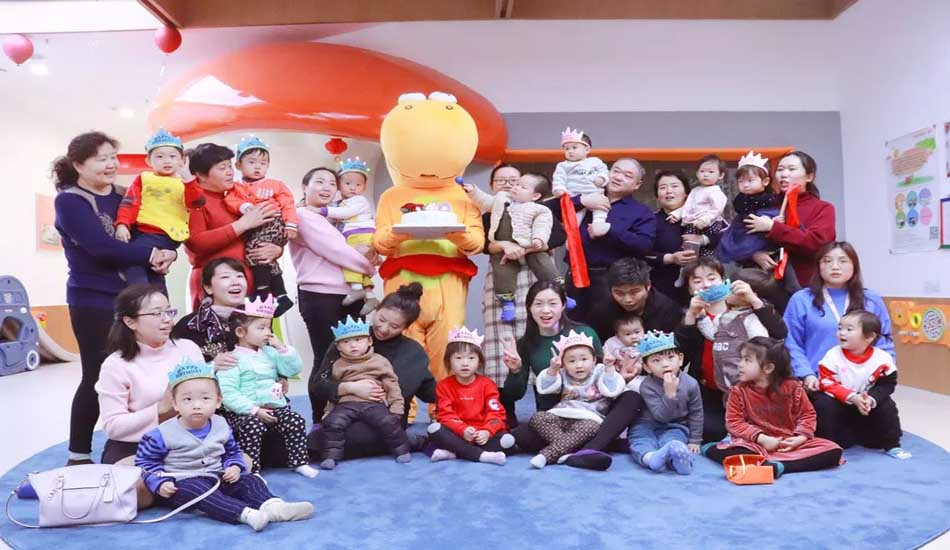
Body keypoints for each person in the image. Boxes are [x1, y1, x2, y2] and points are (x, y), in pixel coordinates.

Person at [53, 131, 177, 465]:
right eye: (101, 159)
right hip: (95, 299)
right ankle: (78, 455)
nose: (111, 164)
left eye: (113, 157)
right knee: (97, 374)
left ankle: (153, 442)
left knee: (154, 368)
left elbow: (160, 229)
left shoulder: (128, 193)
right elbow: (101, 247)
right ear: (78, 164)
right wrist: (150, 254)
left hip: (144, 298)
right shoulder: (70, 201)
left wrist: (170, 252)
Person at [136, 360, 313, 531]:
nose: (197, 405)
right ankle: (245, 514)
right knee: (199, 490)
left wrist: (234, 466)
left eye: (205, 398)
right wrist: (159, 483)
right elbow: (145, 463)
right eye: (187, 399)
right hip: (181, 485)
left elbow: (232, 451)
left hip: (218, 477)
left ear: (218, 401)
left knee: (250, 480)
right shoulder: (160, 434)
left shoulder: (221, 424)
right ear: (175, 403)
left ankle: (273, 506)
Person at [94, 285, 204, 507]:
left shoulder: (188, 349)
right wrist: (159, 410)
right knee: (137, 490)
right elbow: (113, 426)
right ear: (130, 322)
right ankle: (181, 485)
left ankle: (175, 485)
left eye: (169, 311)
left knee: (243, 464)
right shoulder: (116, 365)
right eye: (156, 313)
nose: (167, 320)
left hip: (187, 440)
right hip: (137, 445)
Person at [308, 283, 436, 458]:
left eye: (394, 326)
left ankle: (414, 441)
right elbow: (318, 385)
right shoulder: (349, 337)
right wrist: (349, 388)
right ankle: (406, 441)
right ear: (376, 309)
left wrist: (464, 385)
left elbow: (428, 390)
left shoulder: (413, 352)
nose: (384, 329)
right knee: (312, 441)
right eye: (381, 320)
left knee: (318, 445)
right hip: (344, 412)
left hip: (385, 419)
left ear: (406, 327)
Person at [676, 258, 787, 442]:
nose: (706, 285)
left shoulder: (750, 310)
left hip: (746, 385)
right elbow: (681, 355)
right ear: (689, 288)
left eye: (712, 278)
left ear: (725, 281)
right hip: (711, 390)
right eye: (697, 281)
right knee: (710, 431)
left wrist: (754, 300)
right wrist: (692, 316)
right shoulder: (693, 316)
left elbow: (778, 334)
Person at [477, 165, 567, 387]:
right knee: (500, 331)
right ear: (492, 186)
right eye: (501, 180)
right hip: (502, 272)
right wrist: (504, 245)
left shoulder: (540, 209)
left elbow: (558, 236)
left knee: (540, 326)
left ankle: (545, 385)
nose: (509, 185)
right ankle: (503, 393)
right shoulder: (491, 212)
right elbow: (482, 244)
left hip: (537, 275)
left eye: (515, 181)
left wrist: (524, 248)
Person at [702, 337, 843, 477]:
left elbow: (807, 415)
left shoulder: (793, 387)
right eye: (741, 359)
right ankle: (716, 451)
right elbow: (734, 422)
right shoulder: (738, 391)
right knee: (737, 451)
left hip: (788, 443)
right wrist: (761, 438)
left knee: (833, 450)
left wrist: (800, 437)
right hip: (754, 444)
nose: (740, 364)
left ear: (768, 368)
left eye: (747, 360)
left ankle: (779, 466)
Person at [217, 299, 317, 478]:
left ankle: (300, 462)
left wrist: (282, 348)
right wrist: (254, 410)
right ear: (240, 332)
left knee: (295, 420)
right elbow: (228, 393)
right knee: (253, 426)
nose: (268, 333)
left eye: (269, 327)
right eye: (261, 328)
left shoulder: (270, 352)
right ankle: (252, 469)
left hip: (273, 408)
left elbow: (292, 369)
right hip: (245, 412)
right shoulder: (232, 359)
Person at [291, 166, 375, 374]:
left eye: (332, 184)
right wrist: (368, 266)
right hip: (321, 295)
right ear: (304, 187)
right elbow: (338, 251)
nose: (327, 187)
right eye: (319, 181)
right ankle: (322, 398)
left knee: (355, 358)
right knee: (327, 357)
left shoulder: (335, 219)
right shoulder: (302, 214)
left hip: (350, 294)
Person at [783, 241, 894, 391]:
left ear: (854, 265)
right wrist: (806, 374)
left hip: (865, 382)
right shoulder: (801, 299)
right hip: (818, 382)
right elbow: (792, 342)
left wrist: (883, 376)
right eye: (827, 261)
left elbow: (884, 341)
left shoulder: (871, 299)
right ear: (819, 266)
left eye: (843, 261)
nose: (835, 266)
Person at [185, 142, 283, 310]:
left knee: (259, 328)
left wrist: (276, 249)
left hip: (255, 286)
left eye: (230, 166)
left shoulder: (237, 197)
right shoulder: (194, 201)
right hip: (216, 291)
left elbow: (260, 234)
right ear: (200, 174)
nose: (230, 172)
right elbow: (195, 243)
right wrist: (242, 225)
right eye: (222, 168)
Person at [560, 158, 656, 323]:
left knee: (608, 328)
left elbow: (644, 245)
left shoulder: (641, 212)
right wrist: (580, 201)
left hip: (612, 281)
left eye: (627, 175)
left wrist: (610, 230)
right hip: (575, 275)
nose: (618, 177)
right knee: (572, 325)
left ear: (637, 184)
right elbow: (550, 209)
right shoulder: (586, 195)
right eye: (615, 171)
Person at [812, 310, 911, 459]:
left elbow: (887, 384)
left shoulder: (882, 358)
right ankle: (826, 444)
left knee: (887, 405)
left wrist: (870, 399)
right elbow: (827, 382)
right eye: (840, 328)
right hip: (838, 402)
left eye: (849, 329)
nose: (841, 333)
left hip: (866, 404)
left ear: (869, 337)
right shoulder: (832, 355)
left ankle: (892, 445)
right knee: (822, 403)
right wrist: (852, 397)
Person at [114, 128, 205, 289]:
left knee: (133, 261)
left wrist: (188, 179)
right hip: (142, 231)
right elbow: (130, 203)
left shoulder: (187, 182)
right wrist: (122, 224)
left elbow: (197, 202)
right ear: (148, 161)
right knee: (155, 270)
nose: (166, 161)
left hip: (164, 233)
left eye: (172, 156)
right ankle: (159, 300)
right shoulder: (144, 178)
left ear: (182, 160)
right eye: (159, 157)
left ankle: (141, 296)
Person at [319, 316, 412, 470]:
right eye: (346, 342)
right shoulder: (338, 365)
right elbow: (334, 390)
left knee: (388, 421)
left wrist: (396, 405)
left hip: (373, 402)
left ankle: (401, 450)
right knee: (333, 423)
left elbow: (391, 384)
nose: (353, 345)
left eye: (358, 340)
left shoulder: (379, 361)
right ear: (339, 347)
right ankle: (331, 456)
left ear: (369, 341)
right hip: (346, 403)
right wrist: (328, 410)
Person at [465, 173, 560, 322]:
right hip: (503, 252)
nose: (515, 187)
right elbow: (485, 200)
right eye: (517, 184)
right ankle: (507, 304)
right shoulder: (501, 199)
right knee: (502, 272)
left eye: (521, 186)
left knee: (544, 264)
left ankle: (561, 291)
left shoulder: (540, 209)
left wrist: (538, 239)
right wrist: (473, 191)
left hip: (530, 247)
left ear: (535, 196)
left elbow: (543, 226)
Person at [528, 330, 625, 469]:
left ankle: (547, 455)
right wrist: (553, 369)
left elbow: (612, 390)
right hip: (563, 414)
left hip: (588, 418)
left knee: (590, 427)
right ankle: (572, 451)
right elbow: (545, 387)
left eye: (584, 359)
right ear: (563, 364)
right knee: (538, 418)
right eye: (571, 361)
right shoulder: (562, 373)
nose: (579, 365)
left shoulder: (600, 371)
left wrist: (609, 368)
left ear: (594, 360)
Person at [224, 137, 298, 316]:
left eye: (263, 163)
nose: (257, 167)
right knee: (265, 258)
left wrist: (291, 225)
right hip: (255, 226)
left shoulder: (276, 185)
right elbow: (231, 201)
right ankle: (281, 296)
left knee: (254, 252)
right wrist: (244, 207)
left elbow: (288, 203)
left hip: (272, 222)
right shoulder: (236, 187)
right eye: (251, 162)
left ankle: (262, 292)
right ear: (238, 165)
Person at [744, 150, 836, 285]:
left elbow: (817, 243)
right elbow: (739, 237)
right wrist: (753, 254)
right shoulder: (766, 203)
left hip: (806, 283)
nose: (784, 174)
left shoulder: (822, 208)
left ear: (809, 177)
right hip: (764, 283)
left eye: (791, 169)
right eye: (780, 169)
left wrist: (773, 227)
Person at [427, 327, 514, 465]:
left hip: (482, 435)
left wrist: (487, 431)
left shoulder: (487, 384)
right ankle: (482, 456)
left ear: (479, 361)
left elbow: (497, 414)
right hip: (457, 433)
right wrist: (463, 430)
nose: (465, 363)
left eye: (471, 358)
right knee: (435, 430)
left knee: (508, 440)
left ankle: (455, 452)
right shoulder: (443, 386)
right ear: (449, 361)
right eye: (458, 358)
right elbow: (445, 415)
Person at [628, 330, 703, 474]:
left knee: (674, 440)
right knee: (640, 439)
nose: (665, 364)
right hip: (647, 423)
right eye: (656, 361)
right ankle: (650, 458)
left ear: (680, 359)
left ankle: (679, 460)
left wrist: (695, 440)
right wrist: (670, 394)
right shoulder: (647, 386)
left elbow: (696, 413)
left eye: (670, 357)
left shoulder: (691, 384)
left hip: (676, 425)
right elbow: (661, 417)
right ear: (647, 367)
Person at [645, 170, 719, 306]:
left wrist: (703, 239)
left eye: (674, 186)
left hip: (705, 286)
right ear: (657, 196)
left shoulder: (705, 216)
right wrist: (670, 258)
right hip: (665, 289)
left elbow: (726, 235)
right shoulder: (650, 221)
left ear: (686, 193)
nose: (669, 191)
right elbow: (642, 253)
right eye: (663, 187)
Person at [317, 157, 378, 312]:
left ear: (364, 187)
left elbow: (346, 213)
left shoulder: (359, 201)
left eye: (358, 185)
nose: (353, 188)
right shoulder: (341, 203)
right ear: (339, 185)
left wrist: (322, 210)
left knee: (349, 260)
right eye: (348, 183)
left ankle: (357, 289)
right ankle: (370, 296)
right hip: (353, 235)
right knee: (360, 266)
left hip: (360, 234)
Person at [587, 257, 682, 344]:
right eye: (619, 293)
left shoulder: (668, 309)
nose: (627, 300)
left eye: (634, 292)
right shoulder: (602, 311)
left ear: (648, 286)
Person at [668, 154, 729, 287]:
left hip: (708, 225)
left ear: (721, 175)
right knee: (689, 252)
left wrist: (705, 219)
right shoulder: (696, 190)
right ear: (697, 173)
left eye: (711, 172)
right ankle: (685, 274)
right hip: (693, 224)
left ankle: (712, 279)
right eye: (702, 171)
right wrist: (677, 214)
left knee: (707, 257)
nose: (706, 175)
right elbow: (687, 206)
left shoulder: (716, 191)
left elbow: (717, 209)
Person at [172, 258, 246, 363]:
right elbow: (176, 364)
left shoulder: (256, 318)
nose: (235, 282)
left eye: (240, 276)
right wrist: (210, 366)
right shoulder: (191, 325)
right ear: (208, 288)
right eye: (225, 277)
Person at [552, 128, 610, 237]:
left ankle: (598, 225)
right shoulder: (563, 165)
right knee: (573, 221)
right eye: (567, 149)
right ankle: (571, 238)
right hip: (575, 196)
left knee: (601, 209)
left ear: (587, 149)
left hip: (595, 193)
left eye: (574, 147)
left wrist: (602, 178)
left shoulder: (595, 161)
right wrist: (559, 189)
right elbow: (558, 178)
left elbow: (604, 171)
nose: (570, 151)